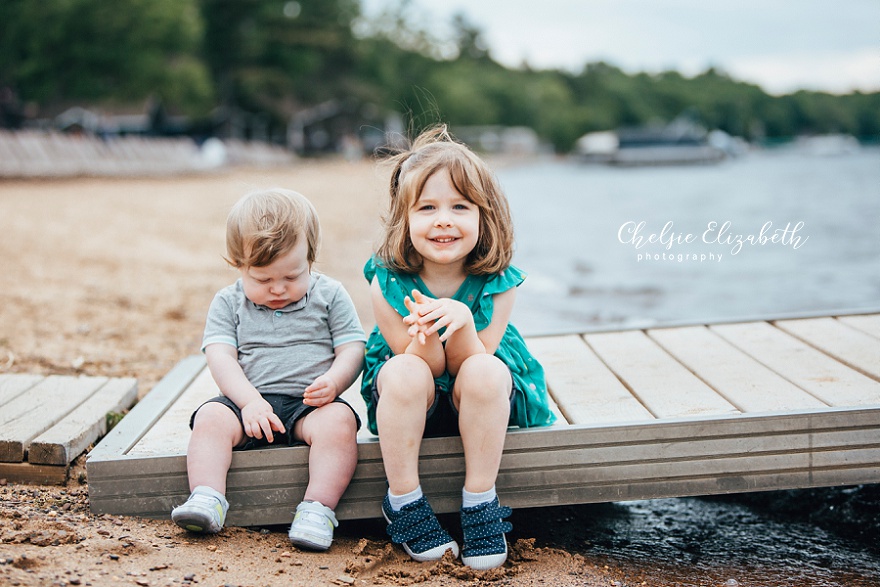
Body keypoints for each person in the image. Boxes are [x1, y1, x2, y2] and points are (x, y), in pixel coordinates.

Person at [361, 125, 556, 570]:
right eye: (427, 207)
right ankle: (405, 500)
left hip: (477, 392)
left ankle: (480, 502)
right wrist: (426, 332)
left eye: (459, 207)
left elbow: (474, 360)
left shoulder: (498, 282)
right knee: (404, 371)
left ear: (485, 216)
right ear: (404, 219)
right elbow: (421, 365)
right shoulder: (385, 281)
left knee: (488, 371)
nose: (443, 219)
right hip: (414, 397)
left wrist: (463, 321)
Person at [171, 188, 366, 552]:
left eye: (292, 276)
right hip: (246, 403)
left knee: (340, 424)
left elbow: (353, 346)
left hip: (310, 405)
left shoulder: (331, 294)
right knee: (210, 418)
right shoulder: (228, 302)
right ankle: (207, 497)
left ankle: (317, 509)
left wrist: (336, 380)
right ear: (238, 265)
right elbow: (220, 356)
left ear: (311, 258)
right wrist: (247, 402)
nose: (278, 289)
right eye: (262, 280)